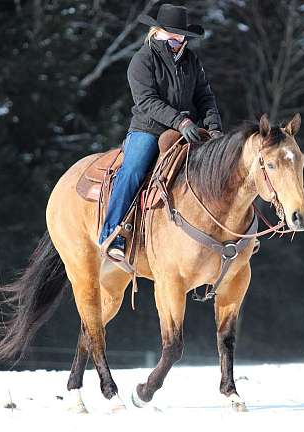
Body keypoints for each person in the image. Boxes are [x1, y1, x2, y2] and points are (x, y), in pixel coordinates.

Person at [99, 3, 223, 260]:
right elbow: (146, 100)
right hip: (149, 129)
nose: (177, 38)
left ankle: (226, 236)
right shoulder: (142, 59)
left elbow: (205, 97)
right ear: (158, 31)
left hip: (188, 129)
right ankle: (112, 233)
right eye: (172, 33)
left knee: (220, 169)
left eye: (181, 34)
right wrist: (180, 121)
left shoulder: (191, 60)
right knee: (133, 170)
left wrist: (214, 129)